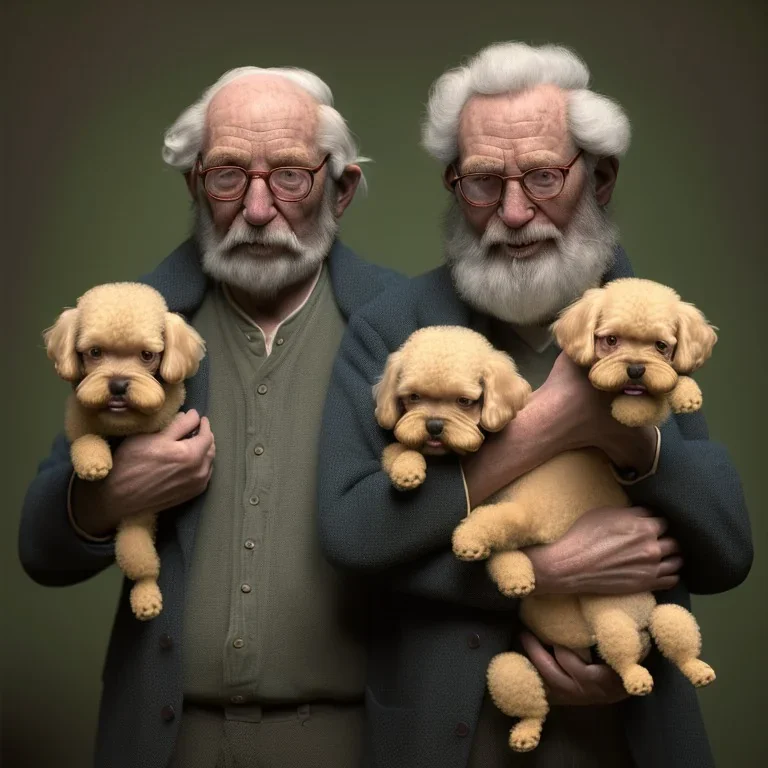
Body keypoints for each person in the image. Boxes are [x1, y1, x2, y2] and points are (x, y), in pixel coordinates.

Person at [318, 42, 752, 768]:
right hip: (447, 733)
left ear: (600, 177)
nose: (514, 212)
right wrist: (545, 552)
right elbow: (355, 540)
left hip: (627, 732)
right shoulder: (391, 326)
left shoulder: (642, 321)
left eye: (545, 176)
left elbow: (723, 553)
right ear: (455, 184)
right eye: (484, 181)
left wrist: (637, 449)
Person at [19, 66, 403, 768]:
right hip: (169, 739)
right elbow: (40, 548)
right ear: (196, 184)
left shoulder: (404, 327)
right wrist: (115, 494)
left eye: (289, 175)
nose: (257, 209)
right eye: (229, 174)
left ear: (339, 189)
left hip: (353, 741)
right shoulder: (138, 321)